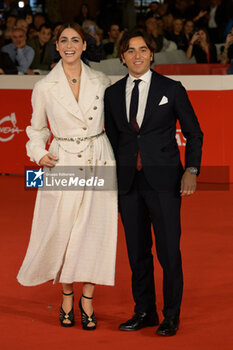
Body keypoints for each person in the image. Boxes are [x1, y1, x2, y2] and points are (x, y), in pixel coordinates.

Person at [17, 22, 118, 330]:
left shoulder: (102, 80)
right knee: (63, 230)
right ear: (57, 46)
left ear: (85, 46)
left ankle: (87, 299)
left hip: (100, 159)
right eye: (64, 40)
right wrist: (38, 153)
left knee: (95, 231)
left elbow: (116, 124)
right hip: (62, 162)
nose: (70, 44)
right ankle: (66, 294)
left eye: (76, 40)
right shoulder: (44, 87)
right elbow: (36, 129)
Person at [104, 29, 203, 336]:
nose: (137, 55)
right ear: (122, 57)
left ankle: (171, 315)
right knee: (137, 252)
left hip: (164, 183)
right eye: (131, 50)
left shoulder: (172, 89)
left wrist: (192, 170)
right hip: (128, 184)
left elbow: (194, 133)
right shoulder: (112, 94)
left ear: (151, 54)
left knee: (169, 252)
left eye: (143, 49)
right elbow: (115, 138)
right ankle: (144, 311)